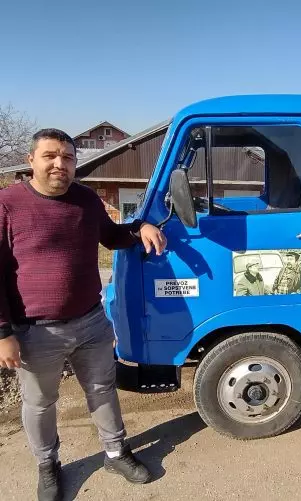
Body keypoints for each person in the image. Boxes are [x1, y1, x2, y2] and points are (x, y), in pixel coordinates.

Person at [0, 129, 167, 501]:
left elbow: (111, 236)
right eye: (50, 156)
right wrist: (3, 333)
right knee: (40, 403)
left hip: (90, 322)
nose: (59, 164)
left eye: (67, 157)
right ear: (31, 160)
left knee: (102, 389)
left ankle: (115, 453)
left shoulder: (86, 199)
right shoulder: (7, 204)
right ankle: (47, 465)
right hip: (35, 332)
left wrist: (140, 227)